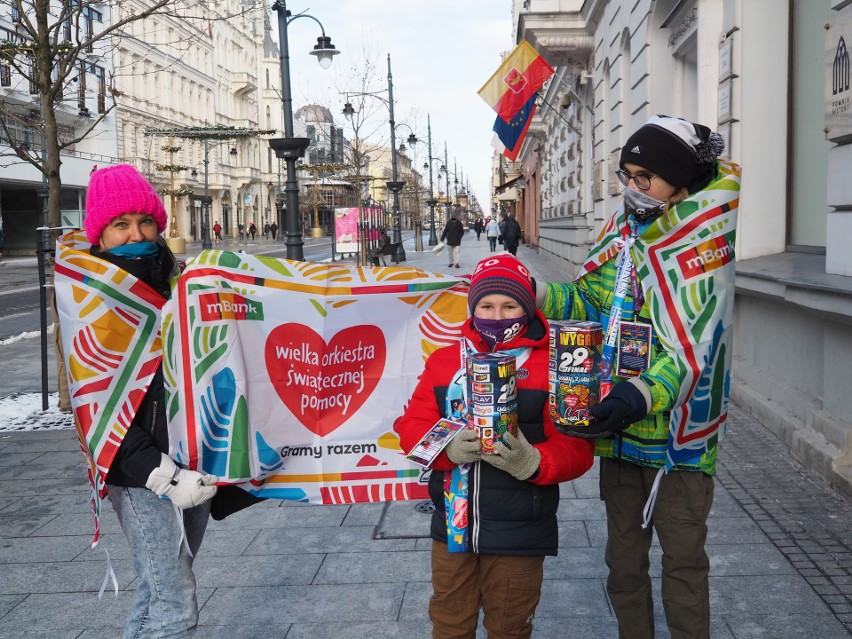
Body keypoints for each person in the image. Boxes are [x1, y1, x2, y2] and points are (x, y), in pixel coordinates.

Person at [536, 115, 738, 639]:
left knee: (683, 563)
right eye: (626, 175)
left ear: (679, 180)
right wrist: (532, 294)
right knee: (623, 566)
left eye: (644, 176)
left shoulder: (703, 241)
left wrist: (637, 394)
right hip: (620, 439)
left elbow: (697, 347)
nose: (632, 188)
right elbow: (590, 301)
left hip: (678, 447)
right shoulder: (621, 233)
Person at [394, 253, 595, 639]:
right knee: (450, 623)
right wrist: (445, 450)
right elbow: (411, 425)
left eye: (509, 305)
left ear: (527, 307)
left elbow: (577, 447)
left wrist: (535, 463)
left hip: (521, 528)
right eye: (486, 305)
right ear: (473, 308)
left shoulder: (557, 364)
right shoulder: (444, 361)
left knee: (509, 626)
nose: (497, 315)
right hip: (453, 525)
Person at [80, 164, 219, 639]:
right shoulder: (88, 302)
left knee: (160, 589)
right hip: (142, 473)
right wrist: (162, 474)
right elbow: (95, 409)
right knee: (175, 604)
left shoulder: (176, 283)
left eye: (145, 222)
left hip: (192, 460)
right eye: (120, 224)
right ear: (99, 235)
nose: (136, 234)